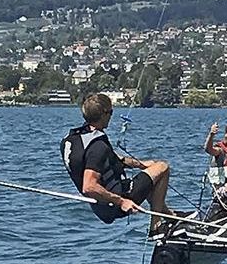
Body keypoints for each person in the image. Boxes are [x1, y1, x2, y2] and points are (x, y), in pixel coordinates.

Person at [61, 93, 171, 233]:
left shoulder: (75, 138)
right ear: (104, 114)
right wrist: (122, 201)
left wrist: (141, 164)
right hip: (115, 203)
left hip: (100, 207)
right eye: (111, 112)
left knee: (152, 173)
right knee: (162, 167)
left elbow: (110, 159)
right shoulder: (98, 147)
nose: (111, 116)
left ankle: (169, 215)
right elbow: (89, 187)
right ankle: (156, 226)